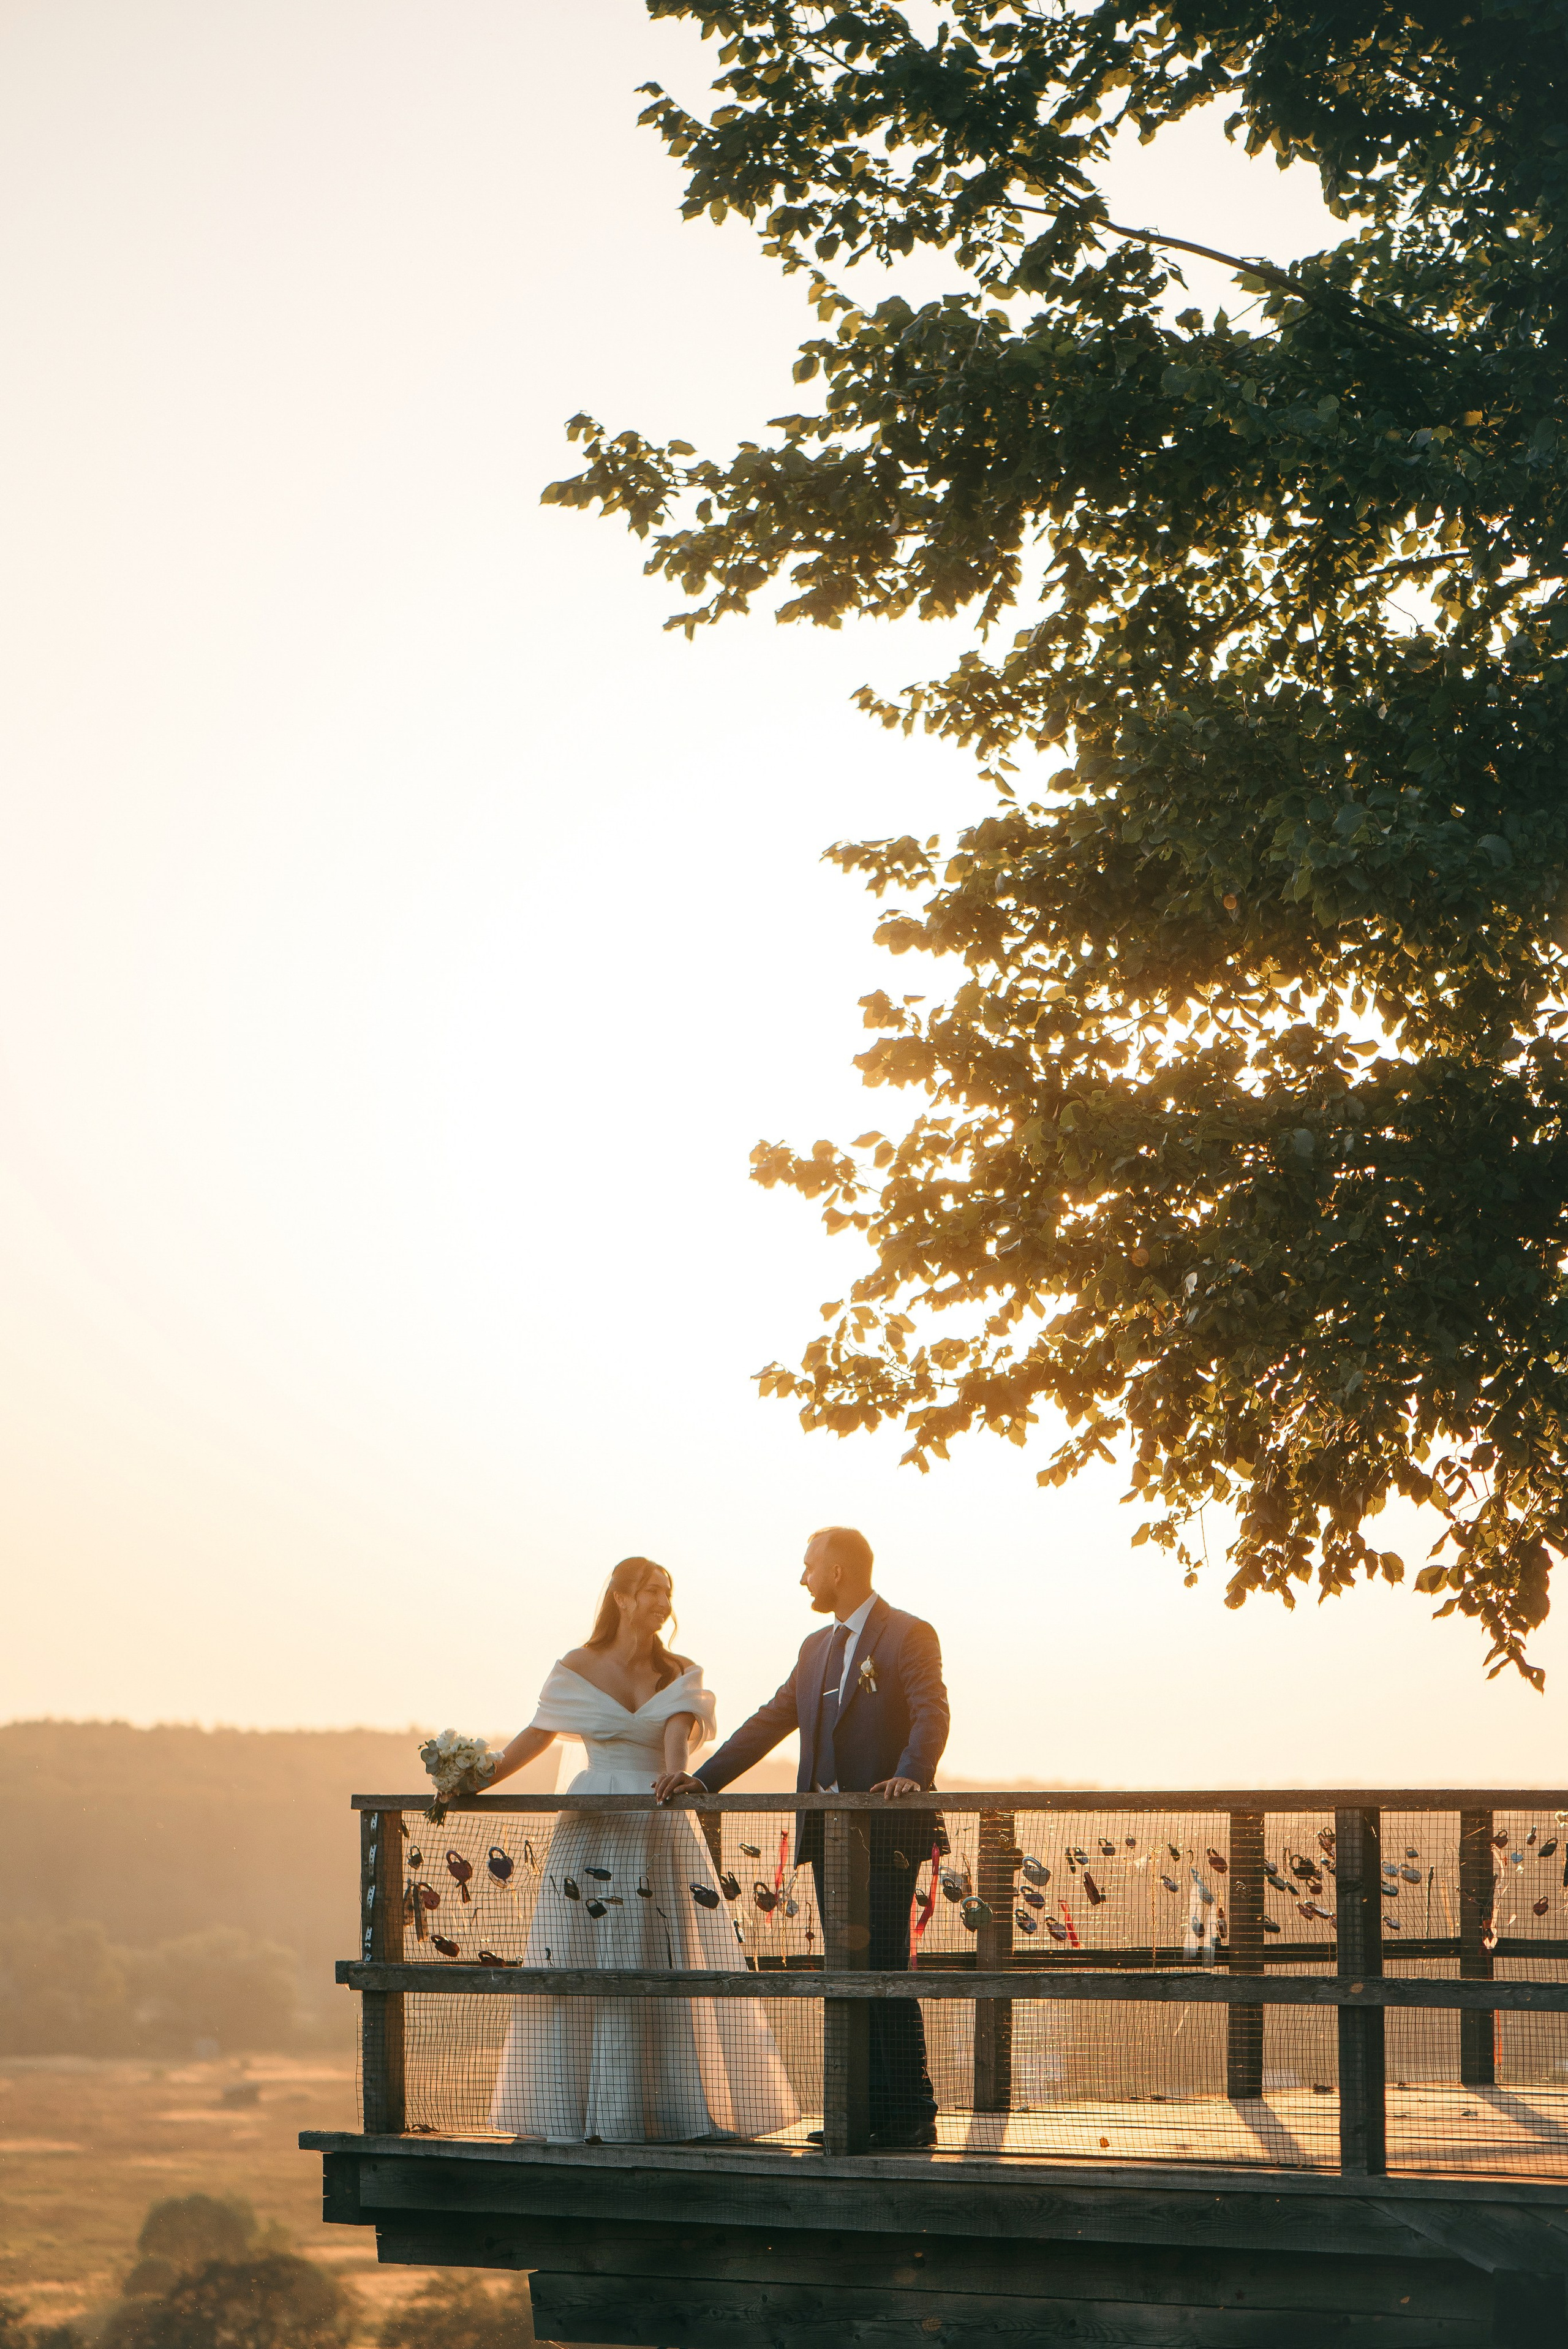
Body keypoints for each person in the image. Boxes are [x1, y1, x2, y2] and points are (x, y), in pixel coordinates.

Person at [481, 1556, 799, 2146]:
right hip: (592, 1824)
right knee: (582, 1951)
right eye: (652, 1591)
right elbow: (536, 1735)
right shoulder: (576, 1666)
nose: (663, 1603)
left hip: (656, 1825)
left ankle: (662, 2108)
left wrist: (676, 1778)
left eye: (667, 1593)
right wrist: (474, 1778)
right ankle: (575, 2110)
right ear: (622, 1598)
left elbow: (677, 1737)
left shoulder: (677, 1671)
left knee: (657, 1951)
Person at [656, 1526, 949, 2150]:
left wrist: (911, 1775)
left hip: (888, 1826)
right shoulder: (815, 1646)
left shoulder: (908, 1633)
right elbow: (770, 1720)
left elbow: (931, 1710)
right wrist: (704, 1781)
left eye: (809, 1566)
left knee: (883, 1965)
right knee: (845, 1970)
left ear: (837, 1571)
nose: (802, 1578)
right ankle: (860, 2114)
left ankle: (913, 2113)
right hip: (830, 1835)